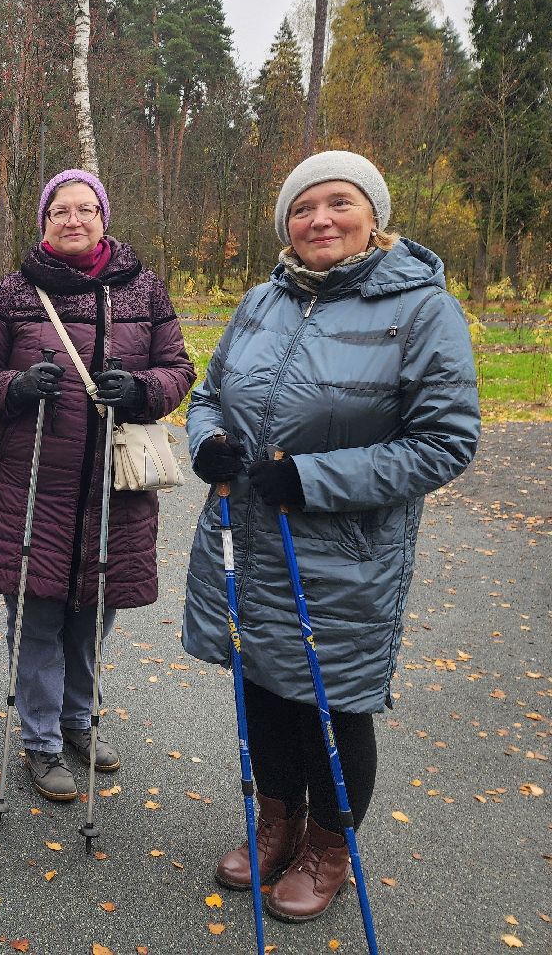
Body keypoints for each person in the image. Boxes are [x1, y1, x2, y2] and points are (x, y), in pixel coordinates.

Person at [183, 150, 480, 923]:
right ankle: (276, 825)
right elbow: (209, 392)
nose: (321, 219)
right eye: (304, 207)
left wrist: (314, 480)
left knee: (331, 700)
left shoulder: (421, 309)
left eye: (339, 203)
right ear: (286, 222)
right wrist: (207, 442)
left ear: (372, 215)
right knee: (262, 687)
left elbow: (444, 442)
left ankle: (326, 847)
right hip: (245, 538)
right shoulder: (261, 300)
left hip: (344, 557)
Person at [0, 168, 194, 802]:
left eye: (85, 209)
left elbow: (179, 368)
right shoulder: (14, 291)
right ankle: (39, 740)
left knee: (94, 615)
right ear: (44, 221)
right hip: (33, 481)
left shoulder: (142, 288)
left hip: (113, 486)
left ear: (104, 217)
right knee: (37, 615)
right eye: (60, 210)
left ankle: (78, 719)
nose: (73, 219)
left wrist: (144, 391)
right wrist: (16, 387)